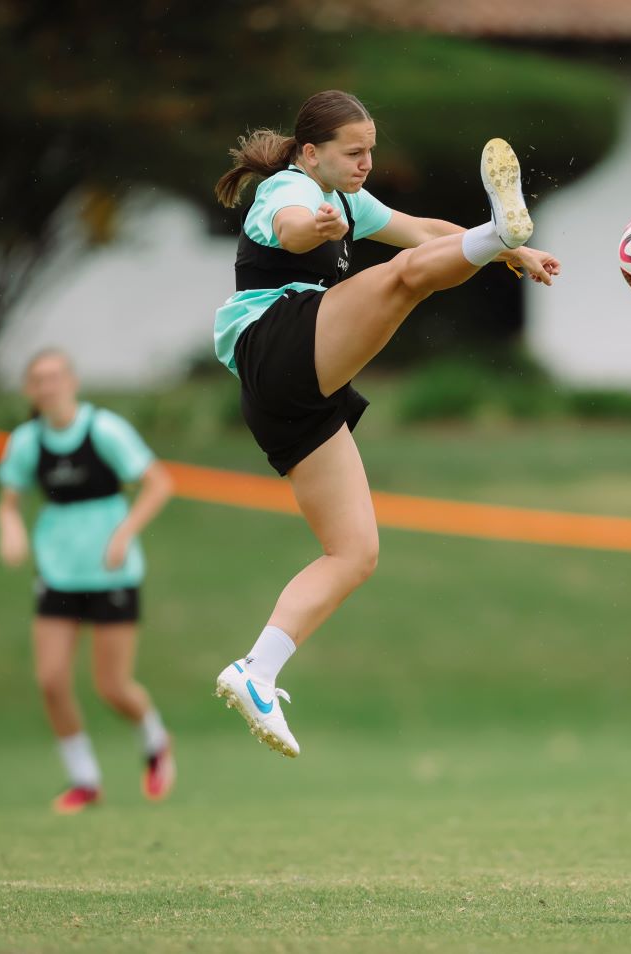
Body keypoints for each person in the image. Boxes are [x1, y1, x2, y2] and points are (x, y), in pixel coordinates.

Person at [208, 90, 559, 757]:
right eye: (354, 152)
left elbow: (424, 230)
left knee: (354, 553)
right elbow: (288, 229)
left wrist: (510, 253)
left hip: (288, 396)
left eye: (371, 150)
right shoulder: (286, 189)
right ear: (311, 153)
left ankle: (255, 671)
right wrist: (319, 230)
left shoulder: (347, 198)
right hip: (274, 345)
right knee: (402, 281)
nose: (367, 162)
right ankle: (496, 231)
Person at [0, 349, 177, 813]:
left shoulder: (105, 430)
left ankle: (156, 741)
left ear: (73, 382)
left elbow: (159, 483)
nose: (48, 386)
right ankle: (84, 780)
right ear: (28, 390)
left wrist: (124, 534)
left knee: (113, 687)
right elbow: (8, 502)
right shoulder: (26, 442)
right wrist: (11, 530)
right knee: (51, 680)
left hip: (112, 572)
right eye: (38, 379)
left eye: (55, 376)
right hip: (58, 572)